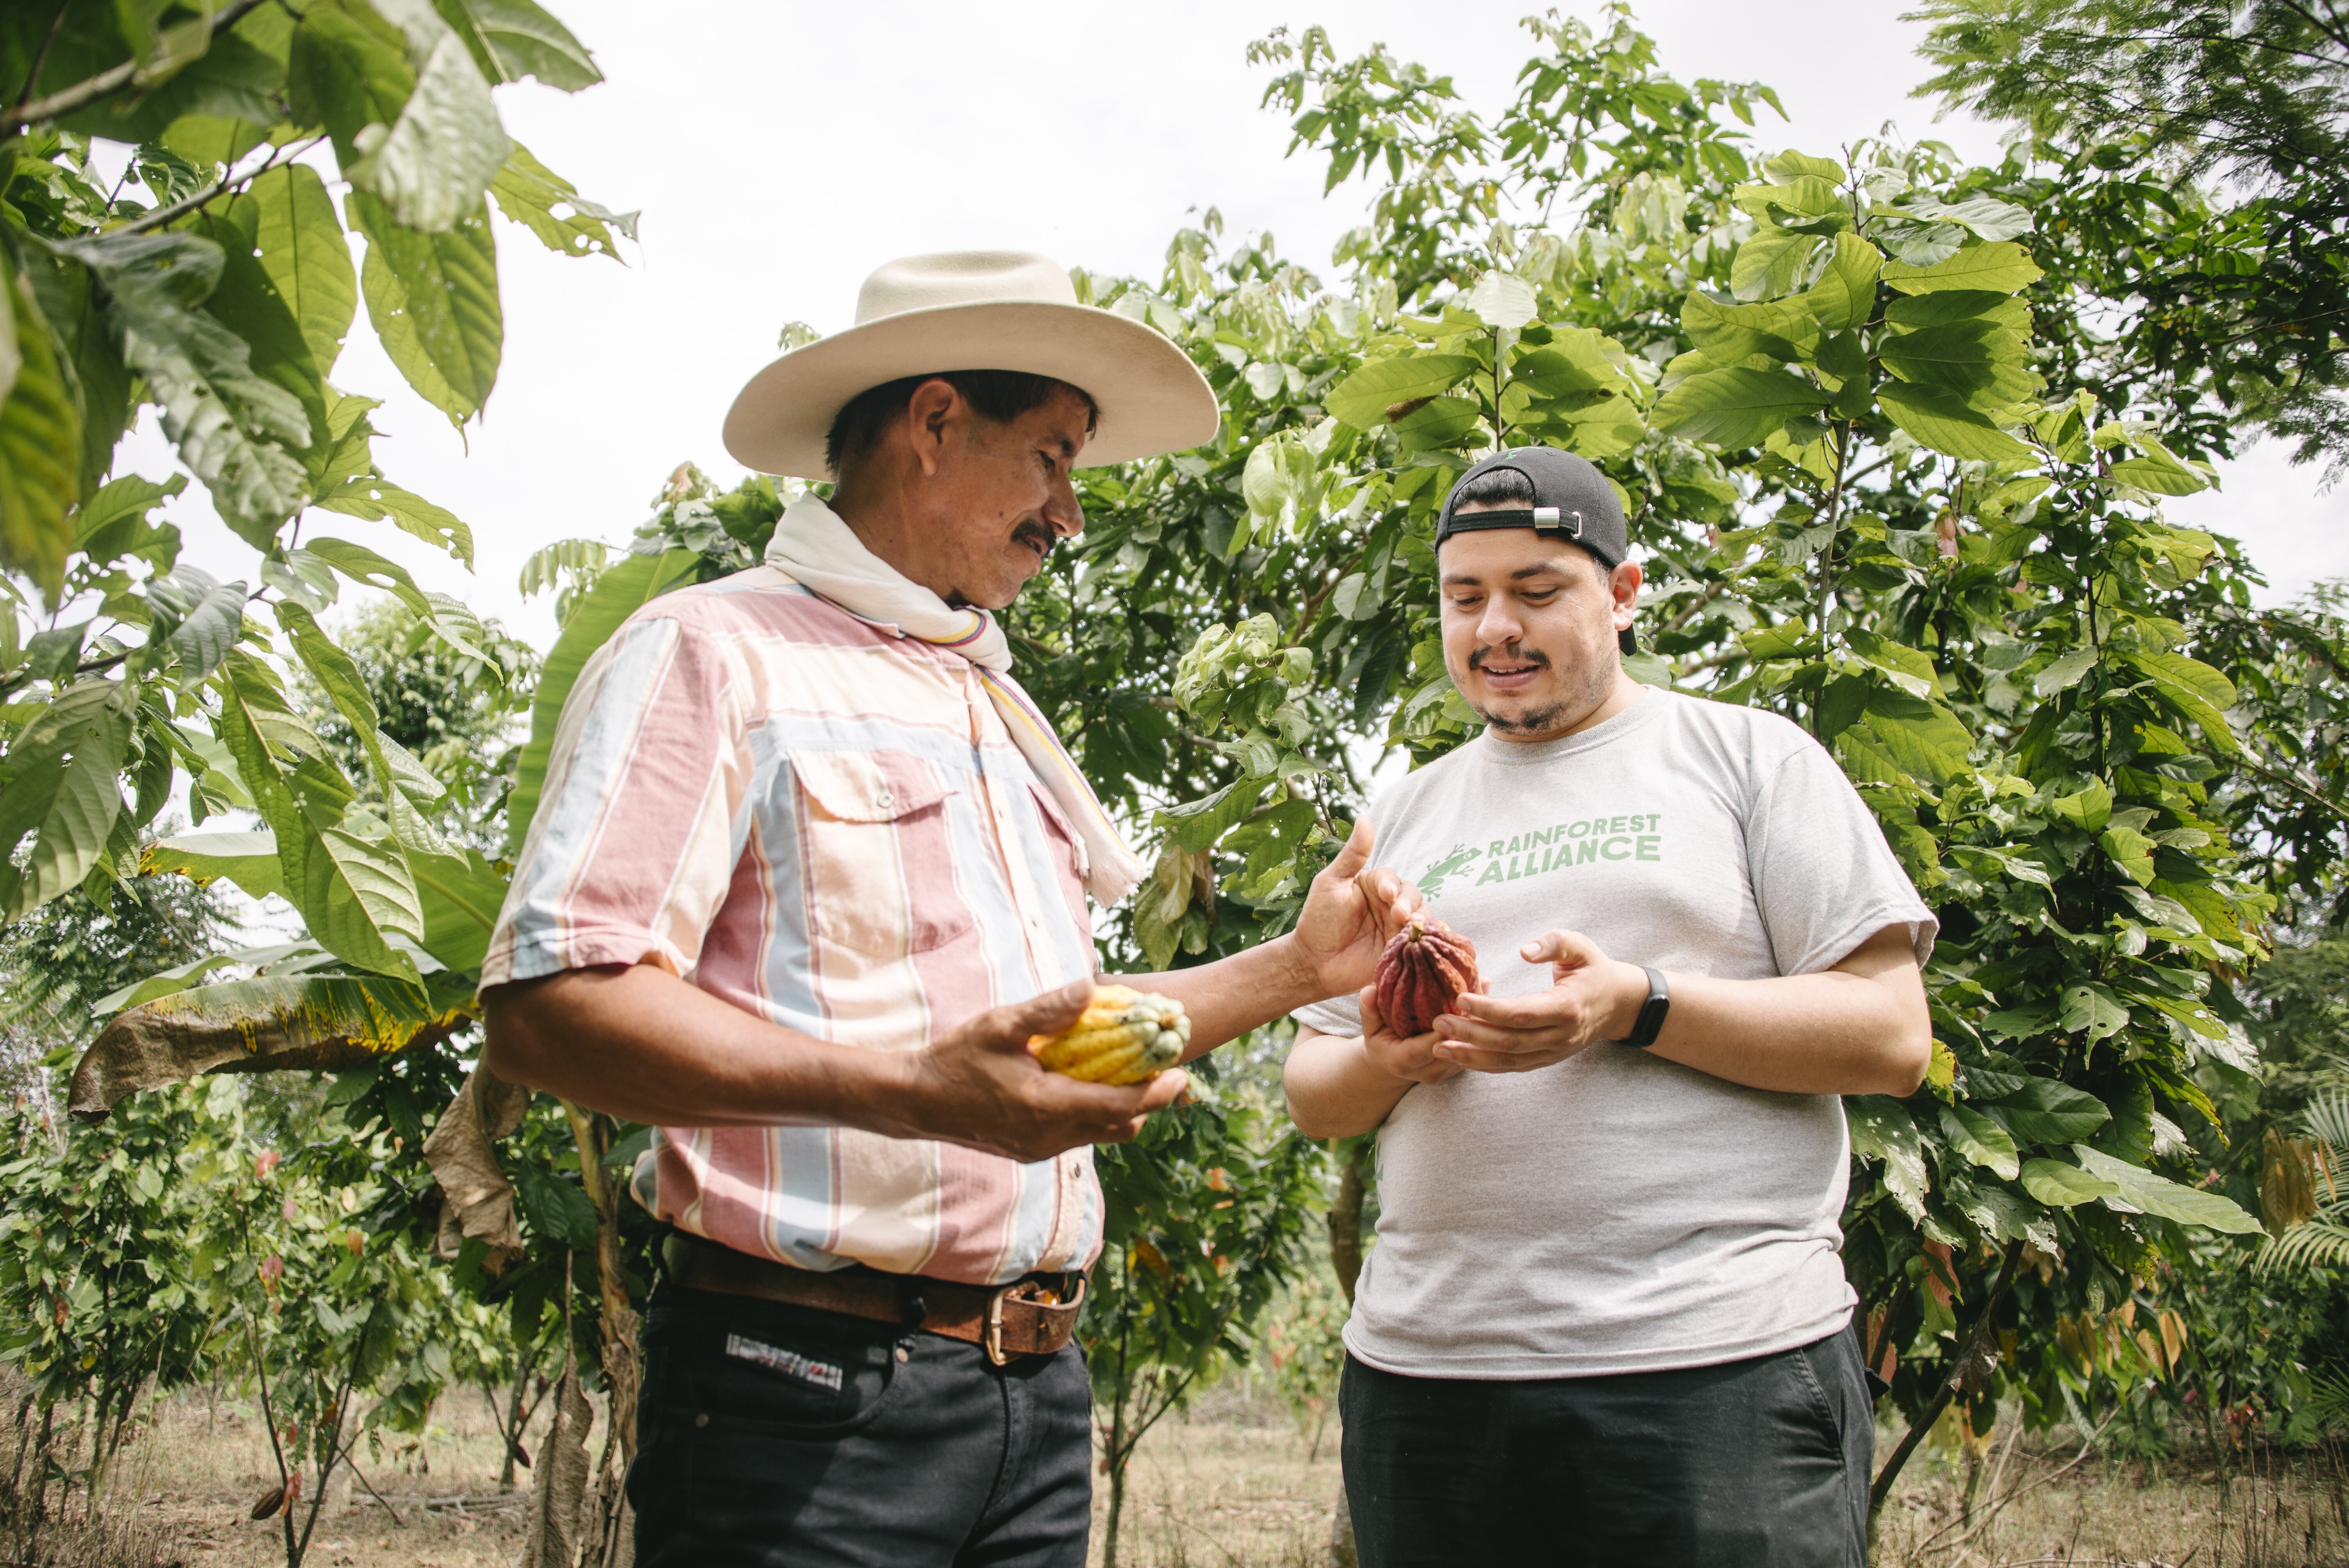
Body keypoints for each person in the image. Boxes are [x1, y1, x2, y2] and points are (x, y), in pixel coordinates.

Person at [478, 251, 1417, 1567]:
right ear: (931, 425)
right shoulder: (714, 653)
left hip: (1031, 1401)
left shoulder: (976, 700)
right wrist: (914, 1091)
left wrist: (1296, 964)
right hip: (799, 1393)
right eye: (1050, 457)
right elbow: (543, 1012)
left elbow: (1043, 1040)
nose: (1072, 513)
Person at [1284, 445, 1937, 1567]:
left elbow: (1890, 1038)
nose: (1497, 628)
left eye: (1538, 592)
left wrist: (1636, 1004)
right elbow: (1315, 1092)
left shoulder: (1746, 760)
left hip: (1712, 1366)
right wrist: (1399, 1059)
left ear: (1624, 594)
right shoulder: (1404, 811)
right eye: (1465, 598)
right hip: (1430, 1381)